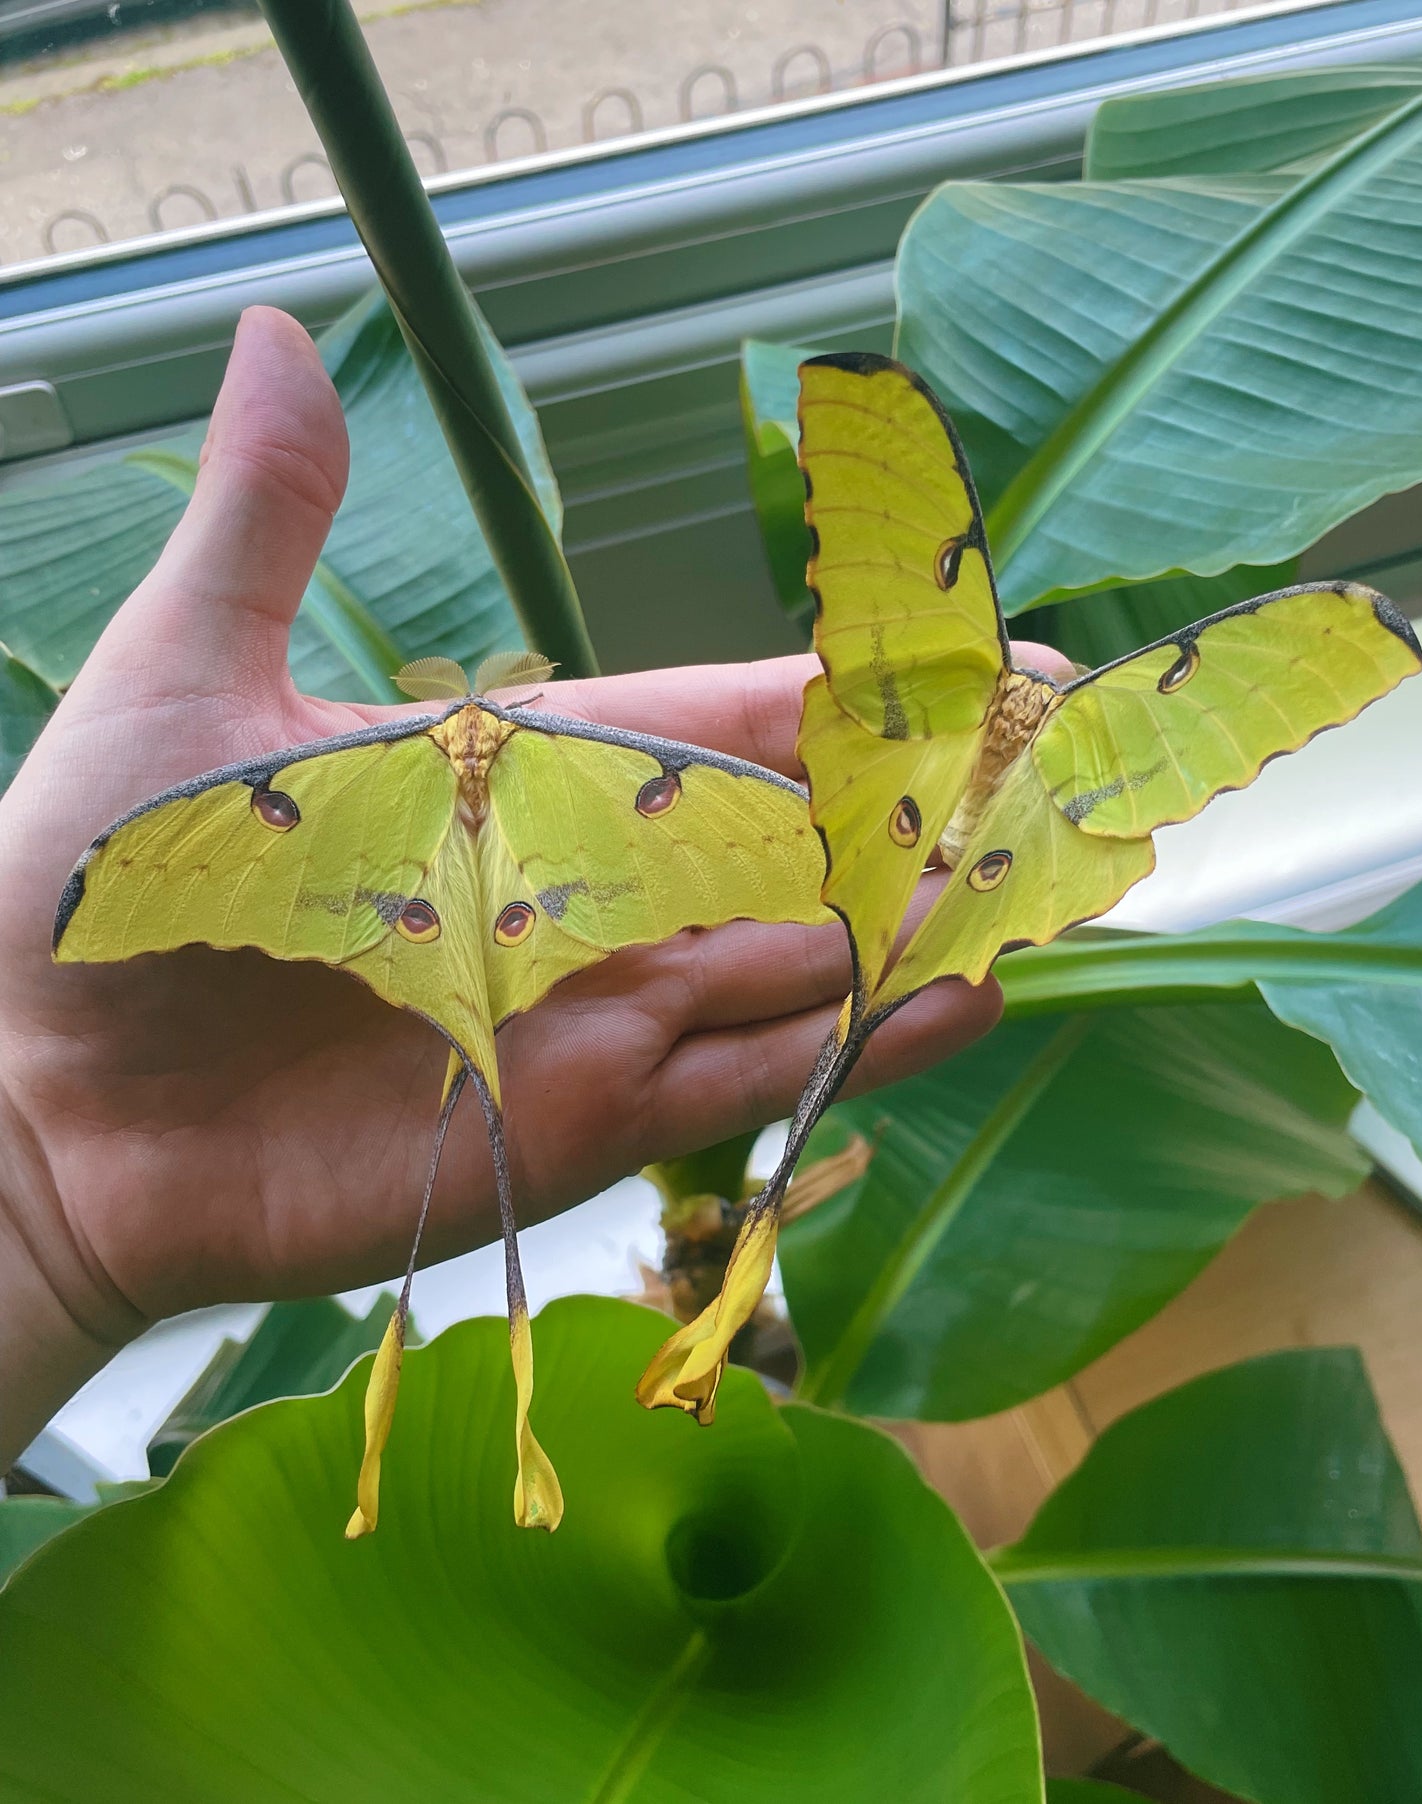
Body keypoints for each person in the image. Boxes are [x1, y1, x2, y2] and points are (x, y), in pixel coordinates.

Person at [0, 307, 1058, 1472]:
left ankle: (471, 1433)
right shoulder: (518, 763)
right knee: (481, 1140)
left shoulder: (444, 770)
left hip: (451, 918)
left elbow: (758, 833)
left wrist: (34, 1205)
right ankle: (508, 1431)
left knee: (475, 1141)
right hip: (459, 921)